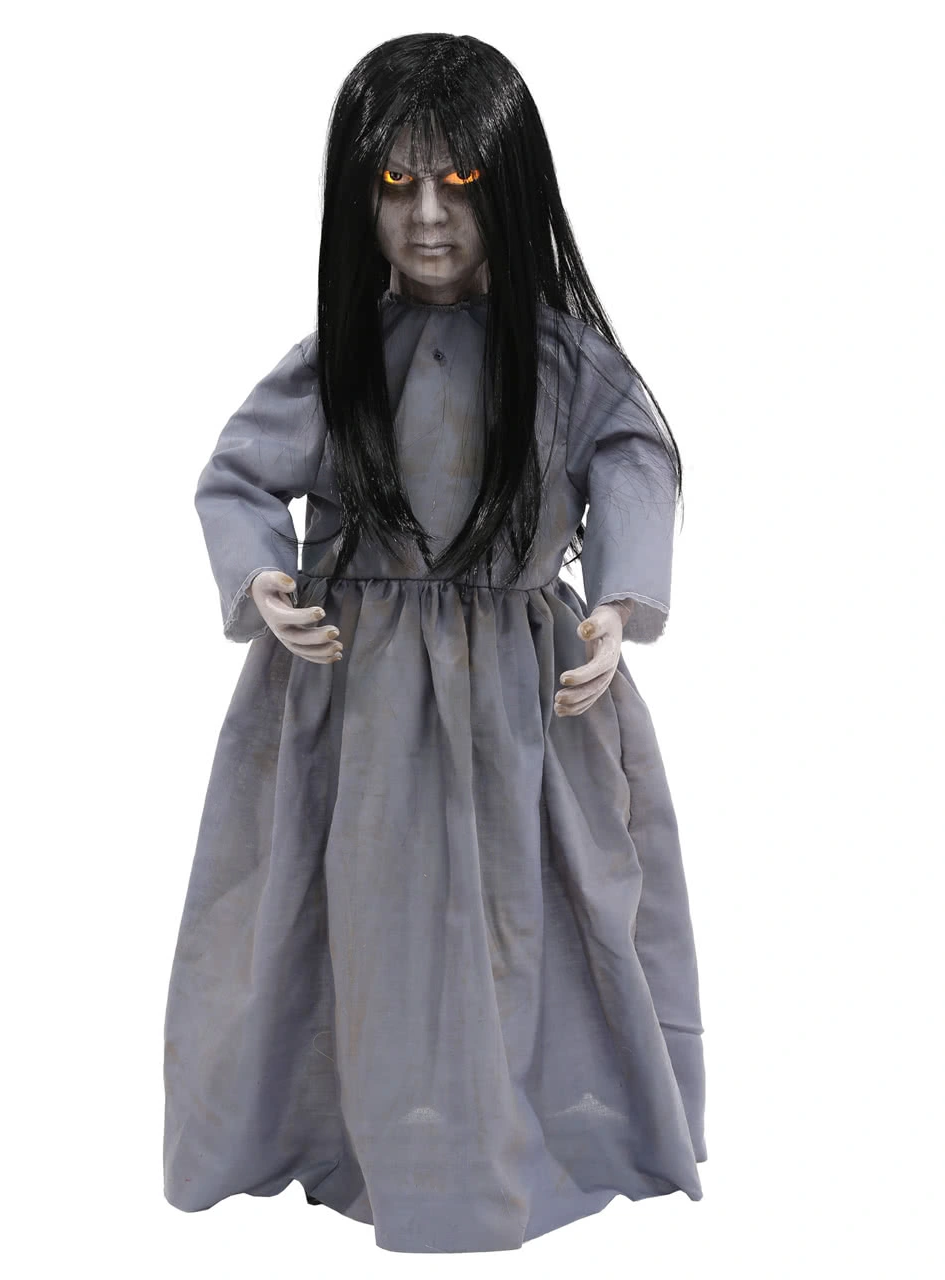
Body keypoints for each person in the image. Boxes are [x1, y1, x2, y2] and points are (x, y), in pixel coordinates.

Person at [163, 32, 706, 1254]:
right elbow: (236, 475)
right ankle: (352, 1131)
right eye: (394, 182)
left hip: (525, 695)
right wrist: (262, 575)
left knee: (532, 918)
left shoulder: (563, 363)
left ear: (508, 188)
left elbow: (635, 458)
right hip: (351, 694)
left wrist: (618, 603)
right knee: (354, 923)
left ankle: (534, 1131)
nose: (424, 217)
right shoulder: (339, 361)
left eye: (457, 182)